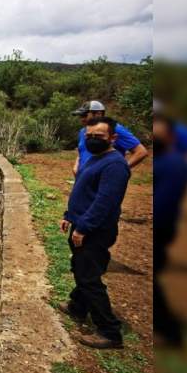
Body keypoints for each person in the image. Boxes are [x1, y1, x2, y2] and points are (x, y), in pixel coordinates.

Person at [59, 116, 130, 349]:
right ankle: (77, 307)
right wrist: (69, 215)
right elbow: (84, 192)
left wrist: (83, 227)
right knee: (82, 269)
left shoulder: (115, 165)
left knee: (88, 277)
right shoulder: (97, 159)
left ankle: (110, 332)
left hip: (95, 231)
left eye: (98, 136)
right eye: (89, 136)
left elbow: (104, 202)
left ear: (112, 137)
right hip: (83, 225)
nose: (92, 140)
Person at [152, 115, 187, 347]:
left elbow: (163, 206)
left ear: (170, 137)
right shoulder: (166, 162)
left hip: (163, 228)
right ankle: (171, 326)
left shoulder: (174, 164)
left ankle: (171, 331)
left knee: (157, 284)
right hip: (164, 228)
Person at [71, 100, 147, 176]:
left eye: (84, 115)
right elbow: (82, 150)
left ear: (98, 114)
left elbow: (141, 152)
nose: (82, 119)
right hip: (84, 178)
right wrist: (76, 166)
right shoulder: (83, 131)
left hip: (104, 179)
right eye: (80, 116)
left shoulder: (114, 129)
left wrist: (120, 169)